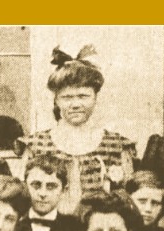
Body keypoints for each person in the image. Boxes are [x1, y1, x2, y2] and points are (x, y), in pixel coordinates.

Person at [17, 46, 137, 215]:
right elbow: (21, 200)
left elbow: (129, 204)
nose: (75, 104)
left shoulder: (116, 146)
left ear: (95, 98)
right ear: (56, 100)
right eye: (67, 97)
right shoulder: (36, 145)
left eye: (83, 96)